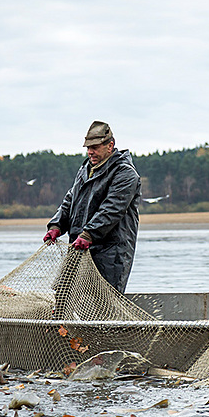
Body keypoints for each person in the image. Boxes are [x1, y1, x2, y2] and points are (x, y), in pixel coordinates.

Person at [44, 121, 141, 293]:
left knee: (103, 301)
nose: (90, 152)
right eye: (88, 147)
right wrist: (56, 225)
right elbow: (70, 200)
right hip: (80, 247)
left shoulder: (125, 173)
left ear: (110, 145)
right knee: (63, 295)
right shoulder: (86, 168)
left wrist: (89, 234)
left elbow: (112, 209)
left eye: (95, 147)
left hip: (111, 253)